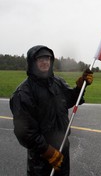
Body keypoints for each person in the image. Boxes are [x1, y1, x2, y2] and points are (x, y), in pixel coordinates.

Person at [9, 45, 94, 175]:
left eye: (47, 58)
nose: (45, 62)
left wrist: (80, 86)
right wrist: (46, 151)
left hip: (62, 146)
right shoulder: (24, 93)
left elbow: (70, 100)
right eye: (40, 59)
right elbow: (24, 132)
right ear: (33, 62)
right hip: (41, 156)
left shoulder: (57, 82)